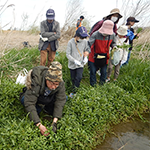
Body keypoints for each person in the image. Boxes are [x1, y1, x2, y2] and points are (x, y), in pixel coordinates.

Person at [20, 61, 66, 136]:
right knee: (26, 101)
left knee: (64, 98)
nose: (54, 87)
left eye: (56, 84)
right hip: (37, 97)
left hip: (47, 97)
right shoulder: (37, 80)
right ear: (46, 79)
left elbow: (60, 100)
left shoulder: (60, 83)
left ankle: (46, 108)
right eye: (52, 84)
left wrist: (54, 122)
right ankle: (39, 109)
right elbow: (29, 102)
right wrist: (39, 125)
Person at [88, 20, 116, 86]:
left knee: (103, 72)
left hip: (105, 56)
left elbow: (113, 43)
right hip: (93, 56)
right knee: (93, 71)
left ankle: (102, 85)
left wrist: (114, 47)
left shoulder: (112, 35)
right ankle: (93, 86)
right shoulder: (95, 34)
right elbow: (88, 44)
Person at [66, 26, 90, 97]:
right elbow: (68, 54)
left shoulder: (85, 41)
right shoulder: (70, 42)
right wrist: (74, 61)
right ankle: (73, 90)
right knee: (73, 79)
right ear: (77, 35)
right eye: (81, 37)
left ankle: (75, 92)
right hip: (72, 65)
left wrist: (85, 57)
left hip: (80, 64)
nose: (82, 39)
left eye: (83, 37)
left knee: (79, 77)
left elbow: (87, 49)